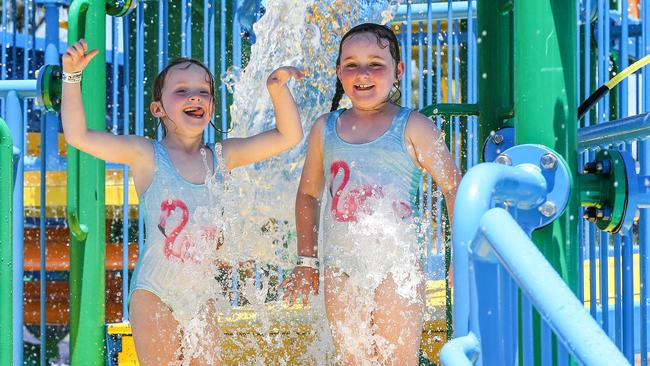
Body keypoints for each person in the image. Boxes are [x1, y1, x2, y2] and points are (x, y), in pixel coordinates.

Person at [61, 39, 304, 365]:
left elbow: (288, 136)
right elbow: (79, 137)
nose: (195, 96)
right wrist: (71, 78)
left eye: (204, 92)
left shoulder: (222, 157)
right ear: (157, 108)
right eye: (182, 91)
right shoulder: (146, 155)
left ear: (212, 107)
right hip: (154, 293)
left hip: (201, 296)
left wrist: (276, 88)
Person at [280, 23, 460, 365]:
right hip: (341, 268)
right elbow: (308, 195)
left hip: (397, 267)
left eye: (375, 63)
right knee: (353, 359)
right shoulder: (325, 128)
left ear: (398, 71)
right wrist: (307, 261)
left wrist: (459, 257)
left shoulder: (414, 126)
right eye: (351, 64)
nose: (363, 73)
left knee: (397, 358)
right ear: (339, 72)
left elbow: (453, 188)